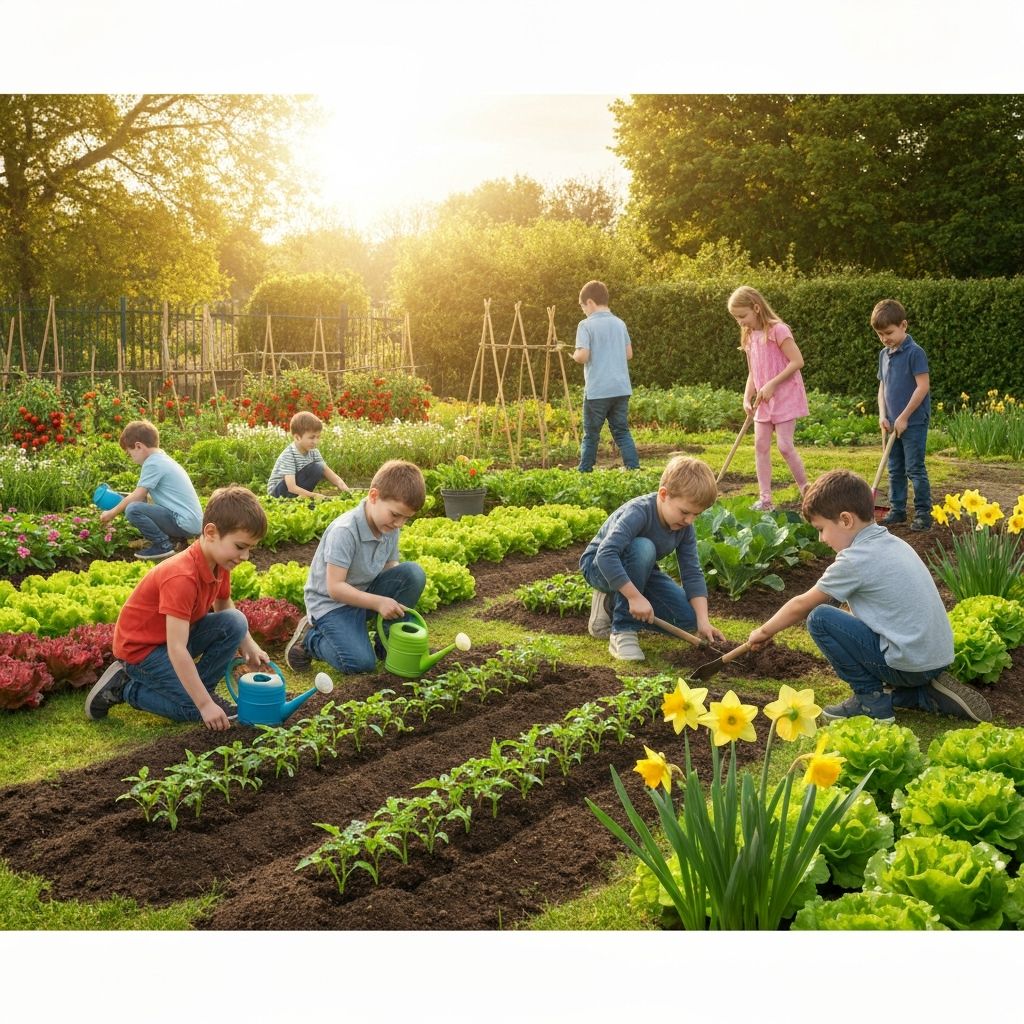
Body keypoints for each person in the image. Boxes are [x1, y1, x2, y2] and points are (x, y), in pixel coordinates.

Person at [746, 468, 991, 723]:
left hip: (906, 663)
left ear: (845, 520)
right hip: (934, 658)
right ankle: (919, 693)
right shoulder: (894, 543)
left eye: (821, 529)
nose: (821, 539)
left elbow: (802, 605)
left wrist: (763, 632)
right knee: (846, 618)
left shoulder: (855, 560)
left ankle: (870, 700)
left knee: (820, 618)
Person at [85, 485, 271, 730]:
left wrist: (248, 645)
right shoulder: (181, 577)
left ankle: (195, 690)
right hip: (142, 651)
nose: (245, 556)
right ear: (211, 532)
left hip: (172, 639)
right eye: (240, 546)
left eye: (250, 548)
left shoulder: (220, 563)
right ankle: (127, 688)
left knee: (235, 621)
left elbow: (224, 604)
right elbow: (177, 649)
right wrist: (204, 705)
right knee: (194, 709)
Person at [285, 459, 426, 675]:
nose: (399, 524)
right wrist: (379, 602)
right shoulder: (345, 531)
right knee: (360, 664)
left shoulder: (389, 527)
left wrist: (392, 597)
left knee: (412, 574)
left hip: (363, 595)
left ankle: (387, 643)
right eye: (396, 515)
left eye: (406, 519)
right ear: (373, 496)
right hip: (331, 605)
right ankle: (310, 639)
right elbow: (335, 588)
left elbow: (391, 567)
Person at [580, 455, 724, 661]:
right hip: (599, 566)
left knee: (686, 618)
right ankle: (622, 629)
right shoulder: (639, 512)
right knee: (643, 547)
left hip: (640, 570)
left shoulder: (685, 527)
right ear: (664, 494)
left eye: (696, 514)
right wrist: (635, 597)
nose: (689, 520)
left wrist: (703, 621)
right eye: (685, 512)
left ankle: (612, 603)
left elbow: (692, 572)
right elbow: (606, 554)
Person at [727, 285, 809, 512]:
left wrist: (772, 384)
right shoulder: (749, 336)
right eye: (736, 318)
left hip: (785, 395)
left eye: (743, 316)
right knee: (760, 445)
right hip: (763, 399)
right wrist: (747, 397)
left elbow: (797, 361)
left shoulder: (778, 330)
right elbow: (753, 371)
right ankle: (765, 499)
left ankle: (806, 490)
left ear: (756, 308)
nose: (740, 322)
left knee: (784, 446)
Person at [99, 419, 203, 560]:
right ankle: (177, 540)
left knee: (133, 509)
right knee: (136, 504)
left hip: (184, 523)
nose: (131, 458)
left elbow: (138, 495)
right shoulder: (162, 459)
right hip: (190, 523)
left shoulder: (153, 463)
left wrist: (111, 513)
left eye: (130, 453)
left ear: (138, 446)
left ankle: (162, 545)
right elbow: (146, 498)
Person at [873, 298, 933, 531]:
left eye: (888, 332)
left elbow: (922, 386)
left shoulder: (915, 353)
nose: (885, 338)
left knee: (914, 469)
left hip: (914, 421)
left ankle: (922, 514)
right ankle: (897, 511)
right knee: (895, 468)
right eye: (880, 334)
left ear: (904, 325)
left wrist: (905, 416)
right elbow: (882, 387)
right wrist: (882, 415)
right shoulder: (884, 354)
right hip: (891, 423)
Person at [572, 279, 640, 473]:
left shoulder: (585, 325)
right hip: (620, 388)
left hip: (598, 391)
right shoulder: (620, 323)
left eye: (582, 306)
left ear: (590, 302)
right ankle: (633, 469)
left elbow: (583, 355)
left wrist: (575, 354)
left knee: (591, 434)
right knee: (621, 431)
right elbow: (628, 354)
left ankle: (585, 471)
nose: (583, 310)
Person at [267, 411, 351, 500]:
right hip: (277, 493)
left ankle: (302, 499)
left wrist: (346, 490)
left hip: (295, 489)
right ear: (297, 437)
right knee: (316, 467)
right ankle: (298, 499)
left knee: (319, 468)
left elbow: (330, 474)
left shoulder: (313, 452)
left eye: (318, 437)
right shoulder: (289, 455)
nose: (316, 442)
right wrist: (315, 496)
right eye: (311, 437)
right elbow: (291, 487)